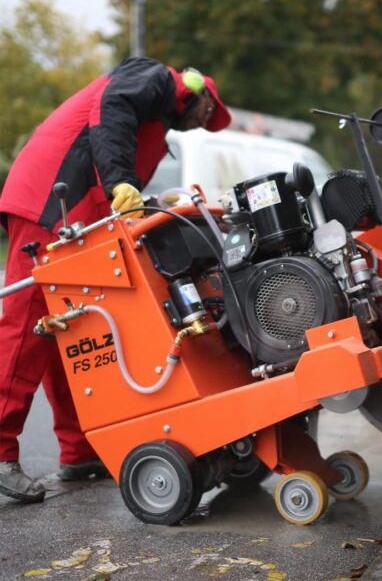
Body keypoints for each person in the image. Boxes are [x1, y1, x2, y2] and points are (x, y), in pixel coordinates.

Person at [0, 56, 232, 502]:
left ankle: (79, 450)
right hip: (49, 203)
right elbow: (111, 111)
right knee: (25, 330)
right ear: (195, 90)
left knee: (71, 329)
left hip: (72, 214)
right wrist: (122, 182)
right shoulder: (153, 77)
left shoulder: (158, 120)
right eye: (208, 112)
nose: (203, 123)